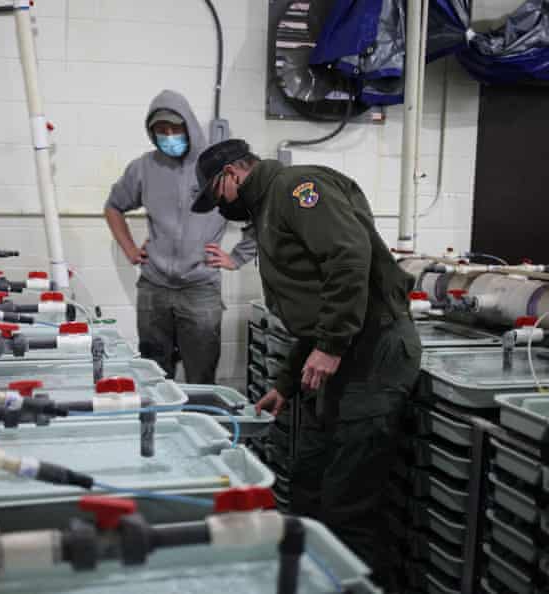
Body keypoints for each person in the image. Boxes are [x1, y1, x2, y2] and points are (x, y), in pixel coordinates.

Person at [190, 138, 422, 584]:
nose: (220, 209)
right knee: (307, 480)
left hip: (374, 354)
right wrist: (285, 382)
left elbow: (348, 255)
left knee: (347, 502)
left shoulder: (297, 188)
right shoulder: (269, 208)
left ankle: (356, 584)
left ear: (232, 175)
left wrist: (331, 345)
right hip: (341, 354)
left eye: (216, 196)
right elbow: (314, 312)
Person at [104, 90, 256, 384]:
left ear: (189, 125)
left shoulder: (214, 167)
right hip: (154, 289)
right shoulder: (143, 167)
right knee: (153, 374)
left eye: (176, 128)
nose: (169, 135)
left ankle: (201, 426)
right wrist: (131, 250)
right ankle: (158, 429)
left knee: (201, 375)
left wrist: (236, 258)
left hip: (200, 291)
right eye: (161, 130)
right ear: (152, 132)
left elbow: (257, 214)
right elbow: (113, 206)